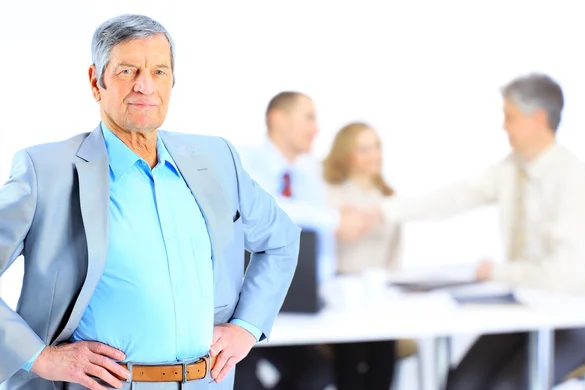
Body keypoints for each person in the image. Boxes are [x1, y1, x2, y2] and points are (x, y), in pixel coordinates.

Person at [0, 14, 300, 390]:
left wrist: (246, 326)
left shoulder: (217, 158)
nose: (145, 86)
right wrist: (40, 358)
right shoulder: (46, 171)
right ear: (96, 81)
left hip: (208, 383)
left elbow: (282, 240)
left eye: (159, 71)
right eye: (128, 71)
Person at [384, 73, 585, 389]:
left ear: (537, 118)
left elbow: (562, 278)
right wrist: (384, 211)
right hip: (527, 308)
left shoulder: (575, 181)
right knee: (460, 384)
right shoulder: (511, 169)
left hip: (576, 318)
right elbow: (457, 195)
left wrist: (497, 272)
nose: (504, 126)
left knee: (506, 387)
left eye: (509, 116)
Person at [234, 92, 377, 390]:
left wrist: (327, 287)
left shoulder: (310, 176)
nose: (316, 129)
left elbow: (320, 247)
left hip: (297, 309)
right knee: (241, 377)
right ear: (278, 118)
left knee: (318, 372)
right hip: (245, 309)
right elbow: (268, 208)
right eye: (309, 118)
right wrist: (333, 218)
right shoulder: (242, 161)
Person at [323, 122, 399, 390]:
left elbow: (395, 256)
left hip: (379, 295)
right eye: (364, 149)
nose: (374, 154)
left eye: (377, 146)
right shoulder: (329, 196)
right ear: (347, 154)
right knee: (350, 354)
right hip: (342, 296)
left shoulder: (390, 198)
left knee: (384, 350)